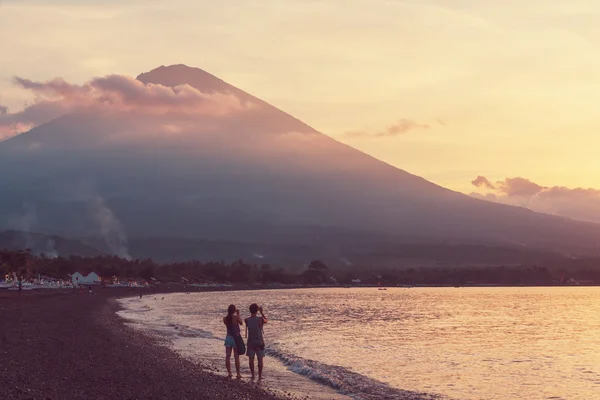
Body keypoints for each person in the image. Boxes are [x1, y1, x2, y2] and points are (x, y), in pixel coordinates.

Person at [245, 303, 268, 380]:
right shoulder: (260, 319)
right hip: (259, 342)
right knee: (260, 359)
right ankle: (260, 375)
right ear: (257, 310)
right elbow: (266, 321)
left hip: (250, 342)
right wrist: (261, 312)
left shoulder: (247, 320)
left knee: (251, 359)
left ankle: (253, 375)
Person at [223, 304, 243, 379]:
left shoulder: (225, 318)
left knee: (228, 356)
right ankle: (238, 373)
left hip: (228, 338)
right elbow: (241, 323)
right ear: (234, 310)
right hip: (235, 338)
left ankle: (229, 372)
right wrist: (238, 314)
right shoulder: (236, 317)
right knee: (236, 356)